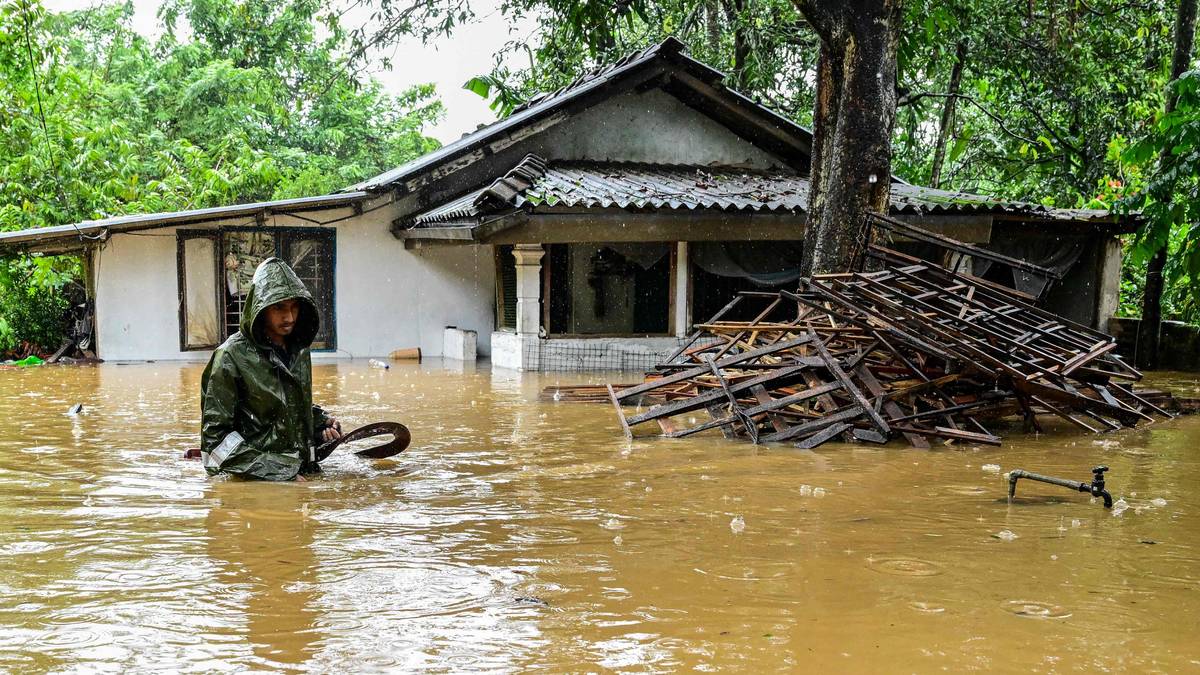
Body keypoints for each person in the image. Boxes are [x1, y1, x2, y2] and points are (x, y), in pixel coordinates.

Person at [200, 257, 342, 481]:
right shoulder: (230, 356)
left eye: (295, 307)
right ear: (260, 308)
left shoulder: (300, 351)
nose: (290, 317)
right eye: (279, 308)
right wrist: (278, 473)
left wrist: (320, 425)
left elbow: (285, 406)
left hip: (303, 475)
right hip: (257, 486)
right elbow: (216, 444)